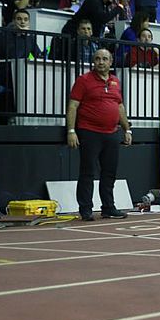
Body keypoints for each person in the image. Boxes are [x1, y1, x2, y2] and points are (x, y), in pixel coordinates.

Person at [66, 48, 131, 221]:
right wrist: (71, 131)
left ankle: (108, 208)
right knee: (88, 172)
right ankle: (86, 209)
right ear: (93, 62)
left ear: (111, 62)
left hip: (111, 133)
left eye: (104, 59)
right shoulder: (84, 80)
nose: (100, 62)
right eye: (97, 59)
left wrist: (127, 129)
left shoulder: (115, 81)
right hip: (89, 132)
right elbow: (73, 106)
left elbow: (119, 107)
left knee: (109, 173)